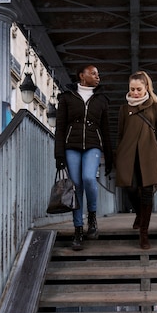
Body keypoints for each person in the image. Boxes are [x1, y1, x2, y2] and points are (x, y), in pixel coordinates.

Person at [54, 65, 113, 251]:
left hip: (93, 145)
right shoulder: (66, 97)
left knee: (89, 178)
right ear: (82, 75)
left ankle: (93, 217)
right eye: (93, 73)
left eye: (98, 73)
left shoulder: (101, 100)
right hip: (71, 146)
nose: (98, 76)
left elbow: (105, 129)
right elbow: (60, 127)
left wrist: (109, 156)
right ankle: (78, 229)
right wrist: (59, 154)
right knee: (76, 185)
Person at [115, 71, 157, 249]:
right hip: (128, 157)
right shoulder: (124, 109)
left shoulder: (155, 106)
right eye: (132, 89)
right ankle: (139, 213)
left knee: (147, 193)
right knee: (130, 189)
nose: (135, 93)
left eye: (138, 89)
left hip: (148, 157)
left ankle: (143, 234)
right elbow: (120, 135)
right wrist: (118, 155)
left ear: (146, 87)